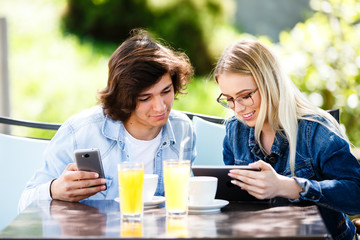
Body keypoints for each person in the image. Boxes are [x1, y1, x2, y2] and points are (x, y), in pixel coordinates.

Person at [18, 29, 196, 212]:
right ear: (124, 97)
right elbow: (25, 203)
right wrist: (54, 190)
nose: (160, 107)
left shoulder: (182, 129)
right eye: (145, 98)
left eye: (166, 91)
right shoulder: (80, 131)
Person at [214, 39, 360, 240]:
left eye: (245, 96)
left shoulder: (316, 130)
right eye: (229, 99)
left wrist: (288, 186)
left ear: (270, 83)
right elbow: (235, 199)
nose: (238, 108)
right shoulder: (234, 130)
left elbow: (355, 194)